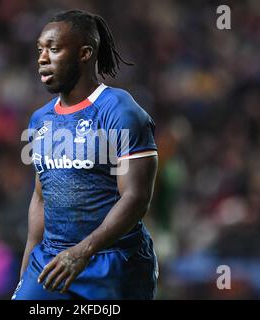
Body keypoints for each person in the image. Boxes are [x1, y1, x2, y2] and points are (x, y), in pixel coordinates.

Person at [12, 9, 159, 300]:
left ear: (85, 53)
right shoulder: (40, 120)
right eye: (40, 50)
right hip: (52, 260)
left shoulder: (120, 110)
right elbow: (42, 197)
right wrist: (28, 266)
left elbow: (136, 198)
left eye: (54, 49)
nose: (42, 58)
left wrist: (82, 252)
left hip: (114, 263)